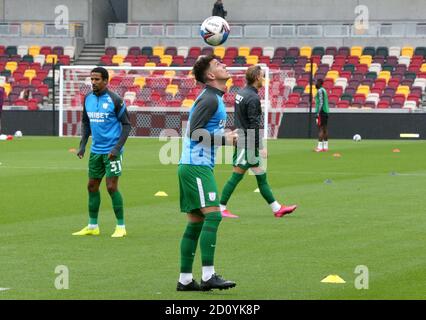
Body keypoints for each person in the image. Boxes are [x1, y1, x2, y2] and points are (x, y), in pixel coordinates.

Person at [177, 55, 237, 292]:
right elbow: (193, 133)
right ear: (211, 75)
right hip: (196, 166)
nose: (224, 65)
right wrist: (226, 139)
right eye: (218, 65)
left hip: (194, 166)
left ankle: (185, 280)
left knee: (195, 223)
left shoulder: (215, 98)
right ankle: (208, 276)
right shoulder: (211, 99)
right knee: (214, 216)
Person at [219, 65, 297, 219]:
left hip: (244, 139)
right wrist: (260, 147)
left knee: (261, 176)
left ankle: (277, 208)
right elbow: (254, 124)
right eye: (262, 76)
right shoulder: (253, 98)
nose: (263, 79)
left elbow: (242, 119)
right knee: (236, 175)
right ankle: (220, 207)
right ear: (256, 78)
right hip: (246, 143)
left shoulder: (240, 93)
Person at [72, 67, 131, 238]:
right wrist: (83, 145)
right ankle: (92, 226)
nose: (94, 82)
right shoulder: (88, 99)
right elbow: (85, 123)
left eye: (97, 79)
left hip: (112, 151)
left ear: (105, 81)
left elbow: (127, 125)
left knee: (111, 187)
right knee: (91, 186)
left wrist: (117, 148)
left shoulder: (115, 100)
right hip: (95, 151)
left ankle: (121, 226)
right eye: (92, 79)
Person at [314, 79, 330, 152]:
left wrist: (318, 113)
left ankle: (320, 147)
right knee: (325, 129)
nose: (316, 83)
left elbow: (321, 102)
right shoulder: (324, 90)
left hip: (321, 112)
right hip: (326, 111)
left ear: (320, 83)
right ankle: (325, 147)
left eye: (317, 82)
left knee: (320, 129)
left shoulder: (320, 90)